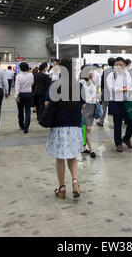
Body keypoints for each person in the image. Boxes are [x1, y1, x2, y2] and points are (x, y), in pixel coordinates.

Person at [45, 57, 84, 199]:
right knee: (73, 157)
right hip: (74, 126)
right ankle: (75, 181)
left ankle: (62, 188)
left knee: (60, 158)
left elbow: (47, 105)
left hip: (58, 126)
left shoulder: (55, 85)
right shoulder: (78, 86)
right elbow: (83, 106)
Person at [107, 57, 132, 152]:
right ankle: (118, 143)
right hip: (116, 102)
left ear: (124, 65)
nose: (118, 66)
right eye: (116, 65)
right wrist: (126, 89)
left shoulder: (130, 74)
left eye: (120, 64)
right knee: (118, 123)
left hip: (129, 101)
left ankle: (126, 138)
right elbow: (112, 89)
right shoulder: (111, 76)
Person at [80, 66, 97, 158]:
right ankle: (91, 150)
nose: (92, 72)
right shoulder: (82, 82)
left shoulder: (93, 82)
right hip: (85, 106)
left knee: (87, 128)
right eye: (90, 70)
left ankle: (84, 147)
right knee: (87, 128)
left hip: (92, 106)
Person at [15, 62, 34, 133]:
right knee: (28, 111)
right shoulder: (31, 75)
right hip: (29, 94)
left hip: (21, 95)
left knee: (20, 111)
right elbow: (32, 83)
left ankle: (21, 125)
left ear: (20, 68)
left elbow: (17, 87)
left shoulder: (18, 76)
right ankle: (26, 127)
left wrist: (16, 96)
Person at [96, 57, 115, 127]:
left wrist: (102, 91)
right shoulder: (116, 71)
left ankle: (101, 121)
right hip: (114, 92)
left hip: (106, 91)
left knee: (104, 107)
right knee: (114, 108)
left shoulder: (106, 71)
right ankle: (115, 122)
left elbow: (102, 82)